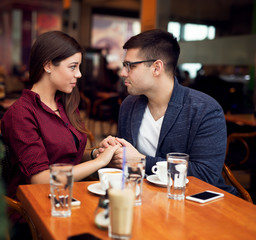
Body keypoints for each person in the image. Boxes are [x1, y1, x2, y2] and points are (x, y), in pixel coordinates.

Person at [97, 29, 237, 195]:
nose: (123, 73)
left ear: (157, 67)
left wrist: (142, 161)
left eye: (130, 66)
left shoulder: (205, 110)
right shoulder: (129, 105)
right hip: (145, 199)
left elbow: (205, 175)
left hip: (195, 203)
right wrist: (115, 153)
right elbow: (128, 164)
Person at [1, 31, 119, 200]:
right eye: (73, 67)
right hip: (34, 207)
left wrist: (96, 153)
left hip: (69, 197)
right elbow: (40, 179)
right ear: (48, 65)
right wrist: (98, 163)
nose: (79, 74)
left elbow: (67, 153)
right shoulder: (20, 114)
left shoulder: (66, 105)